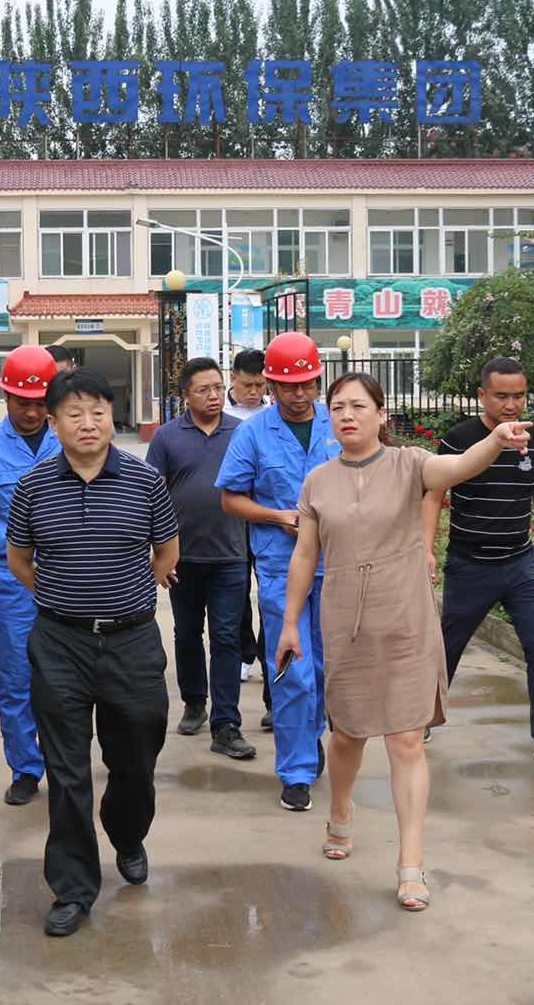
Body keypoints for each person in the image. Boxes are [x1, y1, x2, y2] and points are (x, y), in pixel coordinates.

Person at [278, 371, 534, 911]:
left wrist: (496, 439)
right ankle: (341, 810)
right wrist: (290, 623)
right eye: (338, 407)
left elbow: (458, 468)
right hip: (345, 620)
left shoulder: (410, 464)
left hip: (406, 619)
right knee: (347, 734)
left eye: (358, 406)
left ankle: (411, 865)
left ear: (380, 415)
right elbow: (304, 555)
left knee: (406, 740)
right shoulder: (318, 482)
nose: (347, 416)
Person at [6, 369, 180, 938]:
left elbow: (166, 551)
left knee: (138, 751)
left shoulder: (145, 480)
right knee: (66, 770)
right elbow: (19, 560)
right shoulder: (33, 486)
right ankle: (74, 888)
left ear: (111, 417)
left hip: (132, 639)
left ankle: (126, 832)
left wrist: (126, 594)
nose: (88, 423)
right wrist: (65, 599)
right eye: (74, 414)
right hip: (60, 643)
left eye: (98, 411)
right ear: (53, 423)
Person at [422, 357, 534, 765]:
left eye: (518, 396)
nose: (511, 404)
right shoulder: (459, 438)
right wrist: (425, 549)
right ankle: (421, 717)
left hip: (522, 565)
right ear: (483, 395)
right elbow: (433, 494)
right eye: (501, 396)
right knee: (446, 647)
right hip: (470, 566)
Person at [215, 332, 339, 812]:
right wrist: (276, 516)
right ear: (271, 384)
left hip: (338, 567)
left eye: (306, 384)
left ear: (318, 381)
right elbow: (231, 498)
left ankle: (311, 736)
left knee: (326, 669)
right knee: (293, 668)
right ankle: (295, 770)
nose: (298, 394)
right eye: (288, 386)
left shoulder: (337, 423)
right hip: (280, 568)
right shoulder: (253, 433)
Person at [147, 358, 255, 760]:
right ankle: (194, 702)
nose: (213, 395)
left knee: (226, 637)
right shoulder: (166, 437)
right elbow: (153, 494)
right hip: (183, 557)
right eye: (203, 390)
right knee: (187, 634)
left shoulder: (242, 432)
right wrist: (159, 552)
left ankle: (226, 724)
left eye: (217, 388)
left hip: (231, 555)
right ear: (185, 396)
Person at [0, 345, 61, 806]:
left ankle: (64, 762)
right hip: (9, 580)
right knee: (17, 676)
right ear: (4, 396)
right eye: (22, 402)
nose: (31, 412)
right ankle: (25, 767)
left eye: (40, 403)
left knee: (66, 677)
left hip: (69, 576)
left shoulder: (70, 440)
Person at [223, 348, 272, 724]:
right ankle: (244, 652)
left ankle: (270, 666)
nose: (254, 392)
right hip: (232, 518)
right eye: (247, 385)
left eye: (260, 385)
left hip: (270, 519)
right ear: (233, 379)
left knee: (270, 595)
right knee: (236, 591)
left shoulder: (275, 413)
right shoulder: (221, 415)